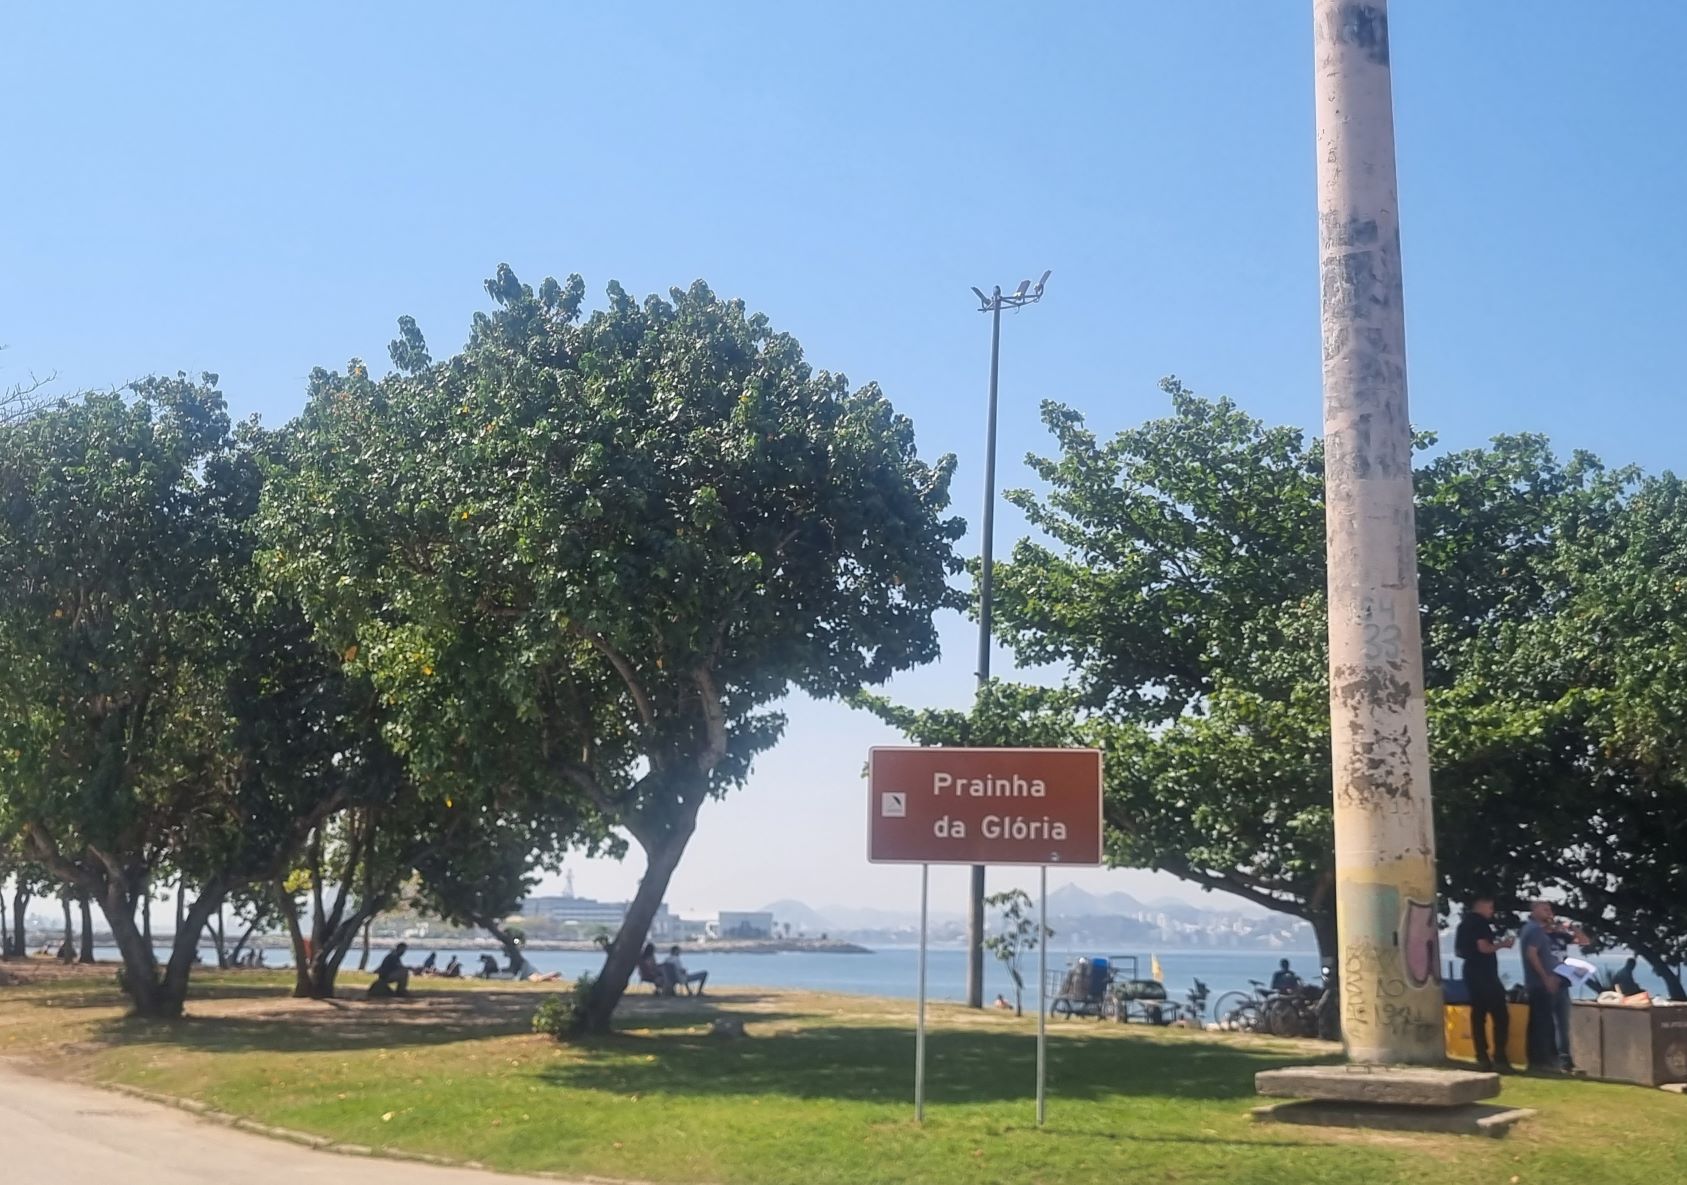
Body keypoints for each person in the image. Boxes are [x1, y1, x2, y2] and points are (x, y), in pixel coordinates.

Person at [1455, 895, 1516, 1072]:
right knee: (1500, 1015)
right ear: (1481, 906)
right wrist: (1503, 944)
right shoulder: (1480, 924)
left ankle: (1481, 1055)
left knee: (1478, 1014)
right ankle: (1499, 1056)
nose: (1492, 912)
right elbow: (1484, 948)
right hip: (1485, 973)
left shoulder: (1463, 925)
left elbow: (1460, 951)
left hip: (1470, 971)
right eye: (1490, 908)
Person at [1519, 901, 1574, 1073]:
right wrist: (1546, 977)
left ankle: (1539, 1061)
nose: (1549, 912)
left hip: (1540, 984)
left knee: (1540, 1023)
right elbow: (1532, 954)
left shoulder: (1530, 929)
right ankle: (1544, 1062)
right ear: (1533, 910)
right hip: (1540, 985)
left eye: (1550, 909)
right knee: (1544, 1024)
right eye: (1545, 909)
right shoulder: (1535, 930)